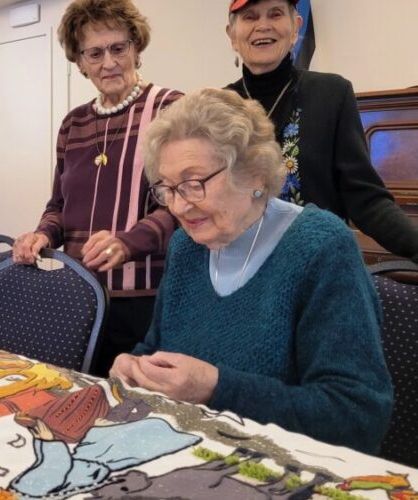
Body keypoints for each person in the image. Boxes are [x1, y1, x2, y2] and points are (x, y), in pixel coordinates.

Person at [110, 88, 393, 454]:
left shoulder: (320, 247)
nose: (179, 205)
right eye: (168, 188)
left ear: (256, 176)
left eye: (194, 183)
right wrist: (133, 365)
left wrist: (217, 388)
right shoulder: (187, 247)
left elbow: (358, 417)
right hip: (185, 457)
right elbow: (156, 348)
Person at [12, 0, 182, 377]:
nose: (108, 63)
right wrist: (42, 234)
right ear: (80, 63)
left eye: (118, 48)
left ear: (136, 49)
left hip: (146, 299)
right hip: (77, 292)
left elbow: (183, 204)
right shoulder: (73, 124)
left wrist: (128, 242)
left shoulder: (171, 109)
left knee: (136, 407)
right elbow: (58, 204)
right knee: (77, 396)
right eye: (95, 53)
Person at [225, 0, 418, 263]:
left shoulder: (332, 94)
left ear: (295, 28)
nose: (263, 25)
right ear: (232, 36)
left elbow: (365, 198)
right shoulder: (218, 109)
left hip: (321, 269)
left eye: (276, 14)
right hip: (242, 272)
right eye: (250, 17)